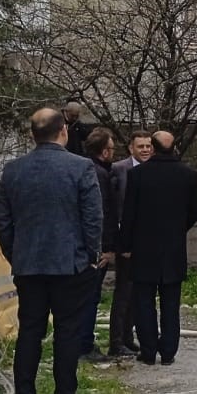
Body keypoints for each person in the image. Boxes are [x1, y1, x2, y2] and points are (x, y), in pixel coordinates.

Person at [0, 108, 103, 394]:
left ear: (32, 134)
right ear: (64, 132)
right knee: (67, 332)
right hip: (70, 264)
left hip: (29, 265)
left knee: (30, 331)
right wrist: (91, 256)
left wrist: (16, 255)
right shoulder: (81, 167)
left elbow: (3, 220)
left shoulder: (13, 170)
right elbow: (93, 217)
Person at [118, 130, 197, 366]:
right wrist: (178, 229)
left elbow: (129, 213)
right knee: (170, 301)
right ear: (174, 147)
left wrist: (125, 244)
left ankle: (148, 350)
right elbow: (196, 210)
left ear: (153, 148)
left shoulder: (138, 174)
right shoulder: (187, 174)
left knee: (143, 300)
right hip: (173, 247)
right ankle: (168, 351)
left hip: (144, 246)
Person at [107, 130, 153, 356]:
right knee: (123, 292)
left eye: (148, 146)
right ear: (131, 148)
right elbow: (114, 208)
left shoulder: (154, 169)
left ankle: (128, 336)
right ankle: (116, 341)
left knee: (138, 293)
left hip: (146, 242)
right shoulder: (119, 169)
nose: (145, 149)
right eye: (141, 146)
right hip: (126, 242)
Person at [81, 128, 120, 362]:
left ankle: (82, 342)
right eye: (112, 148)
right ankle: (85, 345)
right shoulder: (99, 174)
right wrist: (107, 248)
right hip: (97, 249)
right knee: (90, 297)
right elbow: (102, 213)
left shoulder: (83, 169)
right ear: (105, 151)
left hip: (84, 246)